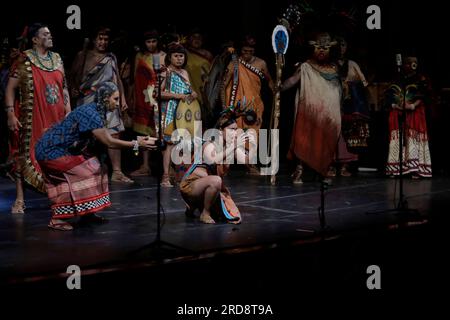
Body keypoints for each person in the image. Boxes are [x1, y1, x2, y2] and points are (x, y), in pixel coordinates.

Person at [35, 82, 156, 231]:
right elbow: (109, 142)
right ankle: (57, 218)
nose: (118, 104)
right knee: (85, 174)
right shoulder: (91, 113)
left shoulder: (98, 111)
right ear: (105, 98)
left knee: (99, 168)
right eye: (115, 99)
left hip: (66, 150)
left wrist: (136, 144)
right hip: (52, 152)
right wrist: (136, 144)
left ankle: (88, 213)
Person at [5, 23, 71, 213]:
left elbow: (63, 86)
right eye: (45, 34)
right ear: (34, 39)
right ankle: (20, 199)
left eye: (50, 33)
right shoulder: (24, 60)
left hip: (56, 117)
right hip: (32, 116)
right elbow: (10, 88)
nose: (50, 36)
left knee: (57, 156)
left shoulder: (57, 59)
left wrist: (68, 108)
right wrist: (10, 113)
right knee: (24, 154)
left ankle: (59, 198)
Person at [70, 27, 132, 183]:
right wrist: (73, 89)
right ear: (94, 40)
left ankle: (117, 171)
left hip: (109, 100)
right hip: (87, 99)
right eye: (100, 39)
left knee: (114, 132)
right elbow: (72, 75)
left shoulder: (111, 57)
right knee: (85, 136)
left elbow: (117, 79)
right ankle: (82, 171)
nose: (103, 42)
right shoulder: (83, 55)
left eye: (105, 39)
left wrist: (123, 99)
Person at [281, 32, 342, 183]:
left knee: (327, 140)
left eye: (325, 48)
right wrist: (280, 86)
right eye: (318, 47)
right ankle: (299, 170)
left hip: (329, 114)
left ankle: (324, 169)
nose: (321, 51)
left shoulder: (335, 69)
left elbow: (338, 90)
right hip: (309, 112)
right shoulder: (306, 67)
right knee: (304, 138)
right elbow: (293, 80)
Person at [178, 110, 255, 224]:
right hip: (191, 185)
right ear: (220, 131)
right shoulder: (209, 144)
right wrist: (233, 146)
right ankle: (205, 213)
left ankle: (193, 206)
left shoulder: (231, 147)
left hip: (205, 185)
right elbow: (213, 160)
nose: (235, 133)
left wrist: (252, 146)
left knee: (224, 213)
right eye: (231, 130)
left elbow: (248, 161)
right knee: (216, 181)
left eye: (236, 130)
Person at [222, 36, 274, 175]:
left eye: (250, 51)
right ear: (241, 50)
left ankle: (249, 164)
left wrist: (276, 91)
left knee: (252, 134)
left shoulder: (261, 63)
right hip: (237, 105)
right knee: (233, 133)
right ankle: (226, 165)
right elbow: (225, 83)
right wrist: (225, 105)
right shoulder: (234, 62)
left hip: (254, 104)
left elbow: (269, 80)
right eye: (245, 51)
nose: (247, 54)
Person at [157, 43, 199, 187]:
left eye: (181, 56)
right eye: (176, 56)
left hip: (183, 113)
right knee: (169, 144)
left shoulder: (185, 73)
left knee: (182, 144)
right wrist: (177, 95)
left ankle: (180, 175)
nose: (179, 59)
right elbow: (158, 94)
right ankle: (165, 177)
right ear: (170, 57)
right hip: (169, 111)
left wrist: (193, 93)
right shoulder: (166, 72)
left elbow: (188, 91)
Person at [385, 53, 432, 178]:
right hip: (399, 112)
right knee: (399, 140)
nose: (412, 65)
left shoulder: (421, 79)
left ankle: (415, 168)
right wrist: (395, 106)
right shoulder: (397, 78)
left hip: (415, 112)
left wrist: (413, 105)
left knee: (413, 140)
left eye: (413, 62)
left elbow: (424, 95)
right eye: (409, 62)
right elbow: (389, 95)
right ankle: (397, 167)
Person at [130, 30, 166, 177]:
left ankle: (166, 168)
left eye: (154, 41)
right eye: (148, 42)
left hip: (159, 97)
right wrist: (131, 97)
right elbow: (134, 78)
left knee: (162, 132)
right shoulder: (140, 56)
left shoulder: (165, 56)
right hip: (142, 98)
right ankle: (144, 165)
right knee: (142, 131)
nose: (151, 44)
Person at [333, 36, 370, 176]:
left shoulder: (352, 64)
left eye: (344, 44)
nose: (341, 47)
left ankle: (344, 165)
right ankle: (330, 164)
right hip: (333, 102)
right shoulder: (330, 64)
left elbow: (364, 83)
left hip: (348, 104)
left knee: (347, 133)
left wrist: (350, 85)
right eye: (339, 44)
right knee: (332, 133)